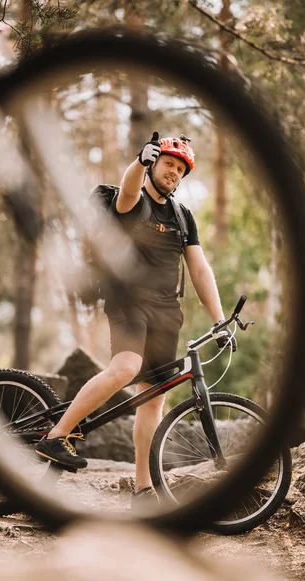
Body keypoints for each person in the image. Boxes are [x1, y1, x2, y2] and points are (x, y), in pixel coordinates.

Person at [35, 131, 236, 509]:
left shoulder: (182, 216)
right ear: (154, 164)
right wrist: (139, 161)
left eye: (180, 168)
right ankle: (55, 436)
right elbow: (128, 190)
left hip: (166, 312)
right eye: (168, 164)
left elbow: (200, 270)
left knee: (154, 401)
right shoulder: (131, 201)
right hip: (128, 302)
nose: (173, 172)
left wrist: (220, 321)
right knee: (125, 368)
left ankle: (143, 489)